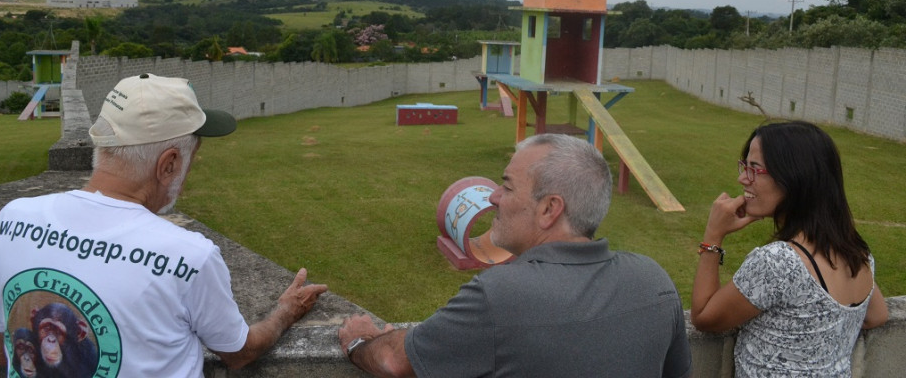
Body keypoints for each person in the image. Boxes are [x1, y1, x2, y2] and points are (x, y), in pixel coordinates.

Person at [0, 73, 328, 377]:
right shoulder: (190, 256)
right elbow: (239, 352)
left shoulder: (12, 218)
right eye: (192, 156)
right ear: (168, 164)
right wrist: (285, 311)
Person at [338, 133, 692, 377]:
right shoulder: (654, 281)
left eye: (506, 186)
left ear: (550, 209)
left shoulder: (500, 294)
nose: (493, 198)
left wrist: (358, 340)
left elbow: (393, 361)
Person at [691, 120, 888, 377]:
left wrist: (713, 235)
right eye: (744, 166)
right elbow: (877, 315)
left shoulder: (779, 262)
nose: (742, 178)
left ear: (794, 177)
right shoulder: (857, 253)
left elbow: (705, 318)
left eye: (754, 169)